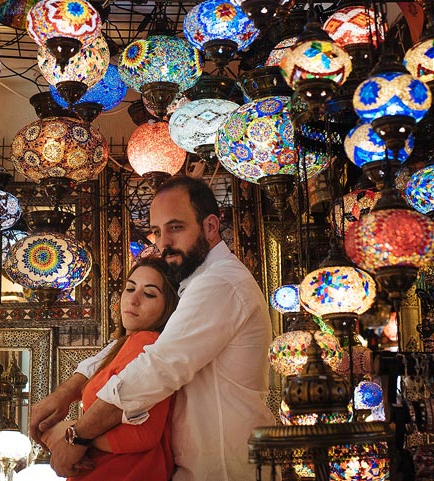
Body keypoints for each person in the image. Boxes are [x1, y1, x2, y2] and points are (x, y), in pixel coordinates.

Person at [32, 176, 275, 481]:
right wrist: (68, 391)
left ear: (211, 227)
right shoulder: (199, 281)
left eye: (176, 228)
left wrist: (76, 435)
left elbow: (156, 366)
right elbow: (137, 346)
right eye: (158, 232)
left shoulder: (219, 282)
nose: (163, 243)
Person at [45, 256, 180, 481]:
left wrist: (71, 435)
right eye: (129, 288)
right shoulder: (125, 345)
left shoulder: (147, 342)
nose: (133, 300)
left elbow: (143, 434)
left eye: (149, 294)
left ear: (168, 308)